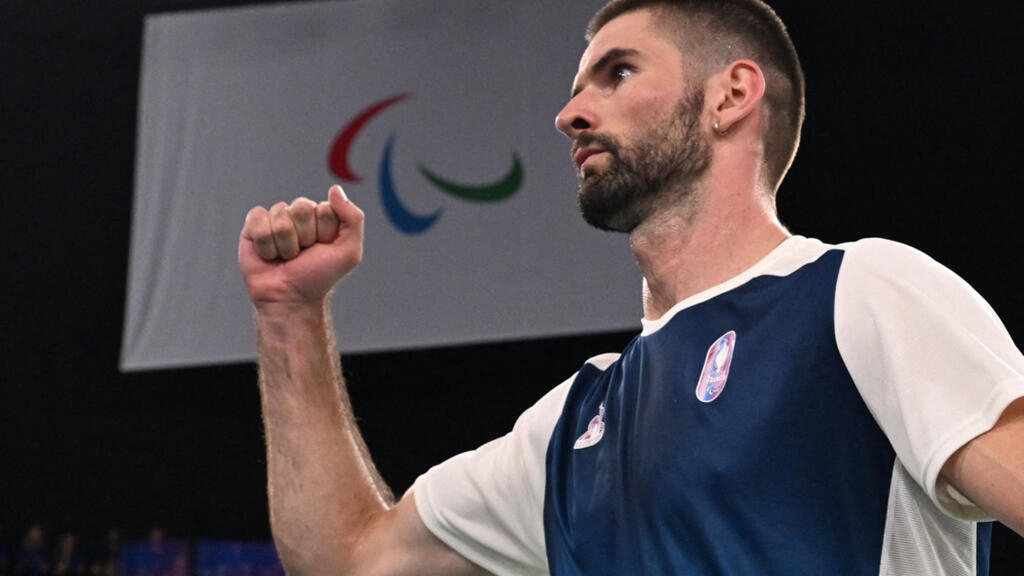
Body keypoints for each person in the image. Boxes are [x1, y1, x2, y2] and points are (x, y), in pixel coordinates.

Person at [238, 0, 1024, 574]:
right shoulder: (570, 430)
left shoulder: (860, 292)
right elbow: (346, 558)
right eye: (578, 89)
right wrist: (288, 316)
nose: (570, 115)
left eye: (617, 74)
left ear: (731, 95)